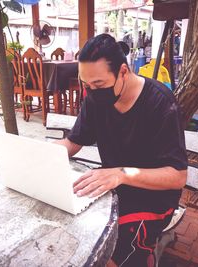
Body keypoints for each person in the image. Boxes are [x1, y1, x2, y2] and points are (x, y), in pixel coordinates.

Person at [56, 34, 187, 267]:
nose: (91, 92)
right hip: (111, 193)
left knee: (109, 257)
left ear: (123, 72)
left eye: (98, 84)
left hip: (153, 200)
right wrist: (41, 156)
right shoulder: (96, 99)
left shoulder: (160, 103)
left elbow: (177, 176)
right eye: (86, 85)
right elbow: (74, 141)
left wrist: (121, 174)